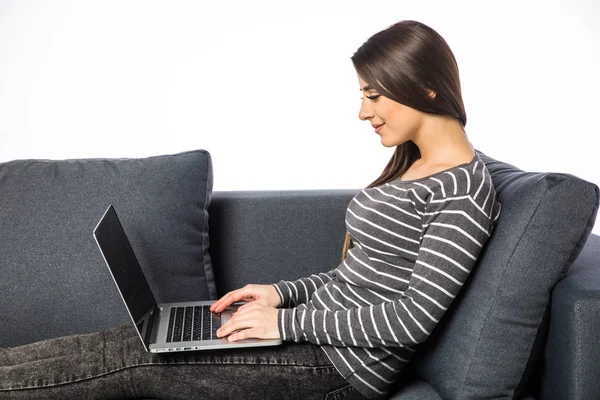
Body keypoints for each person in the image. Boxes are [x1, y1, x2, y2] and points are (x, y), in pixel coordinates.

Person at [0, 19, 501, 400]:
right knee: (124, 340)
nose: (363, 112)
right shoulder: (412, 166)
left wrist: (283, 324)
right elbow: (359, 277)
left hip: (341, 368)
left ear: (426, 87)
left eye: (374, 95)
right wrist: (280, 294)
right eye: (362, 95)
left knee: (131, 359)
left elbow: (412, 320)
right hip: (314, 334)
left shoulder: (463, 192)